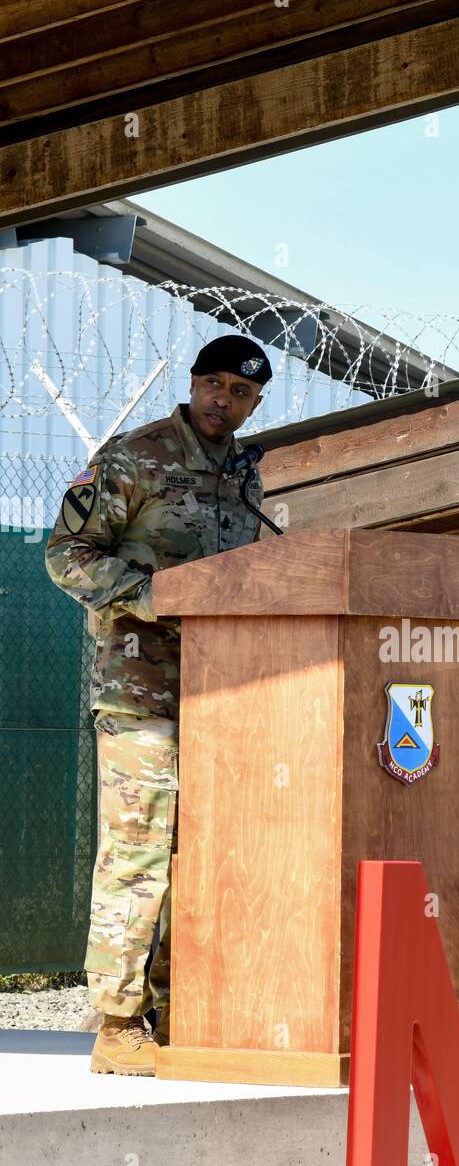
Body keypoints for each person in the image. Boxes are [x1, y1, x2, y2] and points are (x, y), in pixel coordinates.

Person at [45, 335, 273, 1075]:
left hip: (227, 692)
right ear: (194, 384)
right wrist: (154, 596)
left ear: (255, 403)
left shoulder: (246, 476)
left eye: (238, 393)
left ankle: (184, 1008)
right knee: (139, 850)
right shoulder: (132, 458)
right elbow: (66, 555)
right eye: (212, 385)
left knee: (205, 854)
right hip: (142, 691)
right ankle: (117, 1021)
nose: (222, 401)